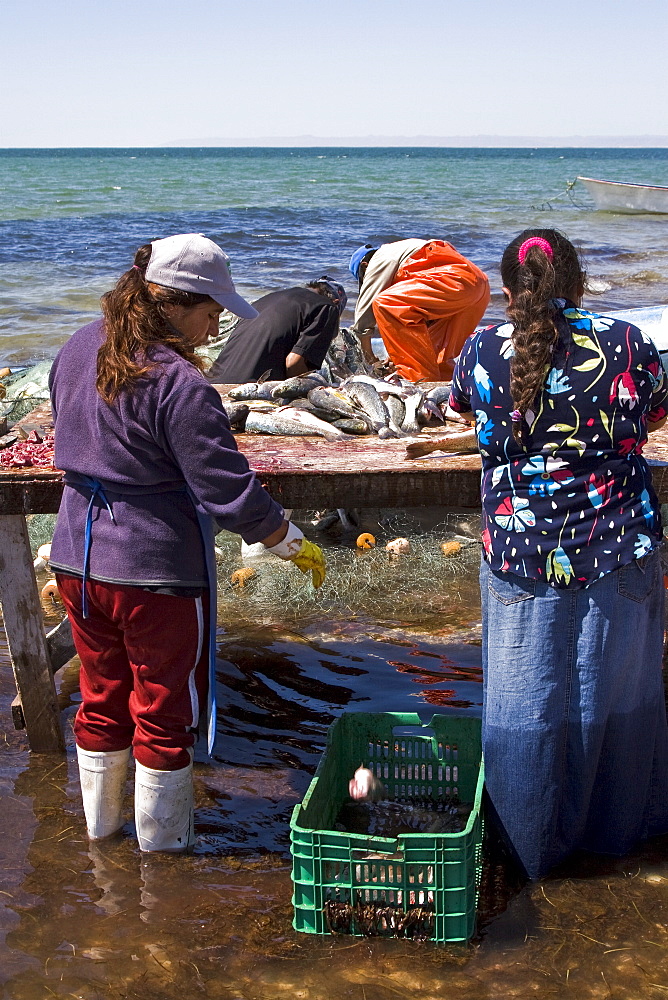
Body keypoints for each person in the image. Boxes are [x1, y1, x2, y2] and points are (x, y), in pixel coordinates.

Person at [48, 233, 326, 853]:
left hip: (75, 559)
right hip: (154, 574)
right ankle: (163, 863)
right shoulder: (179, 382)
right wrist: (286, 538)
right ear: (175, 304)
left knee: (100, 700)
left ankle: (102, 844)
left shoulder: (74, 349)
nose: (219, 323)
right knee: (164, 715)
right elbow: (227, 489)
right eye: (213, 310)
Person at [448, 227, 668, 879]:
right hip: (620, 542)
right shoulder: (628, 341)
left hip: (522, 548)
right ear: (578, 283)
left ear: (509, 292)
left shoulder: (484, 348)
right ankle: (618, 842)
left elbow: (465, 409)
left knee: (525, 702)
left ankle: (528, 847)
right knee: (619, 693)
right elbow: (653, 415)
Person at [349, 238, 490, 382]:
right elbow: (412, 331)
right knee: (433, 354)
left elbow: (364, 314)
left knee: (386, 304)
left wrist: (369, 358)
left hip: (455, 280)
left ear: (365, 266)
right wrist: (397, 356)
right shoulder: (405, 252)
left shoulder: (381, 257)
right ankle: (450, 388)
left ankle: (416, 382)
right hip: (479, 287)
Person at [206, 277, 347, 383]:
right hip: (251, 389)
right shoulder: (328, 307)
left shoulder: (269, 299)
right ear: (336, 303)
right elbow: (293, 364)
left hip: (213, 384)